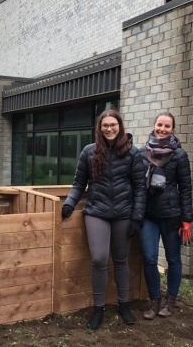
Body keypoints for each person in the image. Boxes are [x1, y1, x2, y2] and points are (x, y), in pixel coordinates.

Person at [61, 108, 146, 331]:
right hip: (96, 212)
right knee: (99, 259)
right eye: (105, 125)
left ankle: (124, 304)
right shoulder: (89, 152)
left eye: (113, 125)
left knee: (120, 260)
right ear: (99, 128)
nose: (109, 128)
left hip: (123, 214)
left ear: (120, 126)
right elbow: (79, 183)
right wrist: (69, 203)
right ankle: (98, 309)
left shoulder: (133, 154)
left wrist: (137, 216)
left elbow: (140, 188)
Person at [139, 112, 193, 320]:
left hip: (172, 215)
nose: (162, 129)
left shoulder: (179, 155)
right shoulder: (142, 153)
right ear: (153, 126)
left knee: (173, 259)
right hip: (149, 215)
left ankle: (170, 300)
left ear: (172, 129)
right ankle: (154, 300)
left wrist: (187, 220)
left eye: (167, 126)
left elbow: (186, 188)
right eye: (160, 124)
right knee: (150, 258)